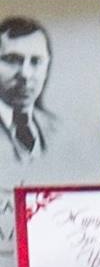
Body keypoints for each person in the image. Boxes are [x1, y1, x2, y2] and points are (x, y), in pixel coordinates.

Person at [0, 15, 61, 164]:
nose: (25, 74)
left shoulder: (57, 128)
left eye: (36, 61)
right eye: (12, 60)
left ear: (47, 68)